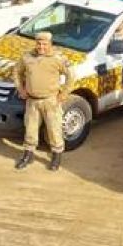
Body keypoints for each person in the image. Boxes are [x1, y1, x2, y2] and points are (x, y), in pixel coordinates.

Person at [13, 31, 75, 171]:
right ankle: (28, 155)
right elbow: (16, 72)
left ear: (50, 44)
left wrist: (64, 93)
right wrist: (21, 89)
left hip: (51, 101)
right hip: (32, 101)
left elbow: (71, 76)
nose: (41, 47)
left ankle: (56, 156)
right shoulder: (27, 57)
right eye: (39, 43)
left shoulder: (58, 58)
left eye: (44, 44)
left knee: (54, 130)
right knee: (30, 129)